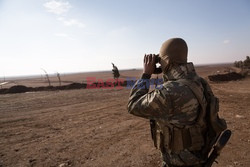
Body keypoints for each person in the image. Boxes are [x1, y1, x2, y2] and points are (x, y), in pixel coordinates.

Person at [127, 38, 210, 167]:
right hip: (197, 156)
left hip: (178, 162)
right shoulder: (198, 82)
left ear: (167, 61)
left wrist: (146, 74)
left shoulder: (169, 92)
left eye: (161, 61)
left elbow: (133, 105)